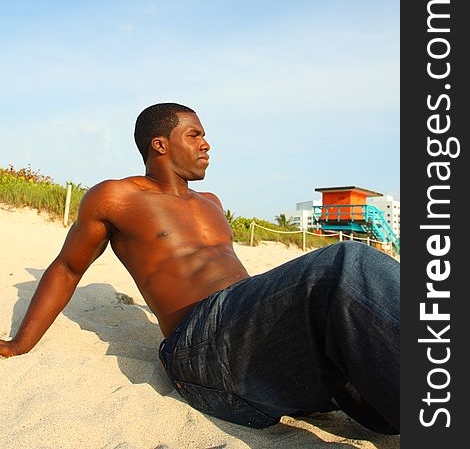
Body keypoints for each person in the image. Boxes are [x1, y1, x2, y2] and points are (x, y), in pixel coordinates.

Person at [0, 103, 400, 434]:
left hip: (256, 337)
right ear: (159, 144)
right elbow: (68, 268)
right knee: (347, 260)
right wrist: (20, 344)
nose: (206, 144)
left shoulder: (211, 200)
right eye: (194, 135)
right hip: (200, 346)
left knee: (364, 354)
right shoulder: (116, 196)